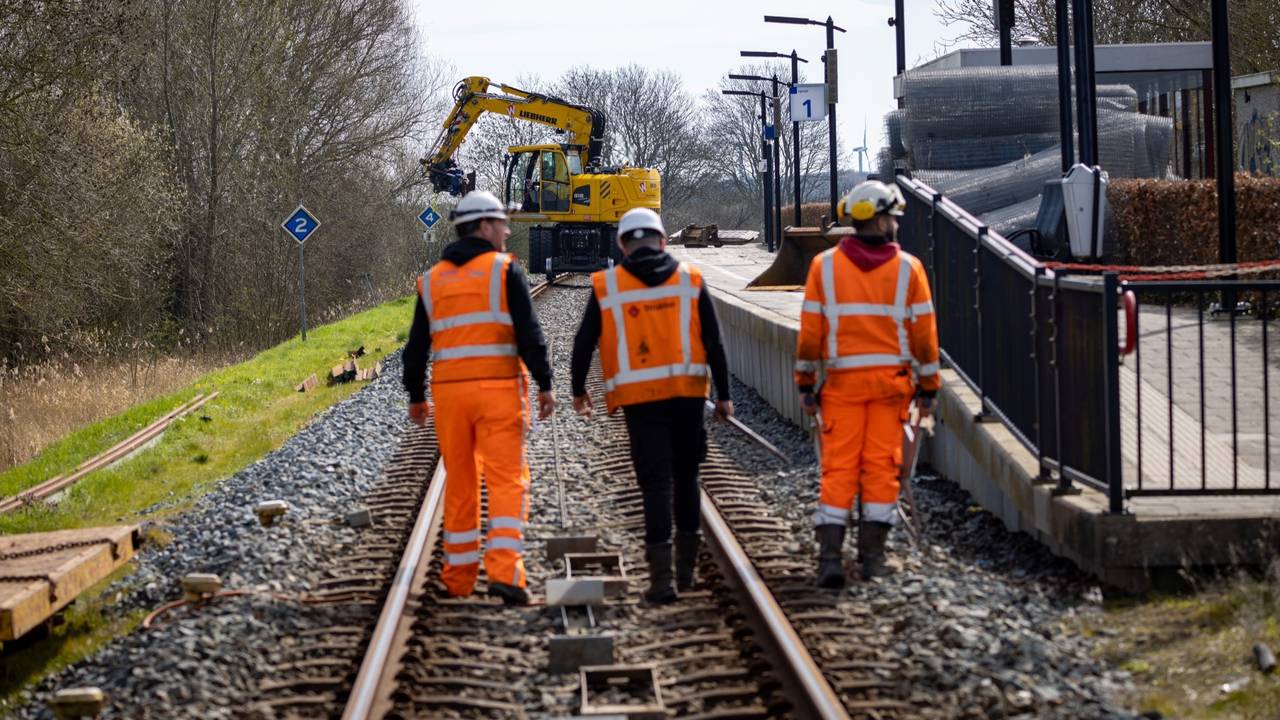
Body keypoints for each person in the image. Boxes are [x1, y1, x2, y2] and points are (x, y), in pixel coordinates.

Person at [570, 208, 733, 604]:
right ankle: (688, 572)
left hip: (640, 403)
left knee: (656, 483)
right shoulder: (690, 280)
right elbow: (714, 341)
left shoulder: (608, 285)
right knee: (687, 476)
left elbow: (583, 341)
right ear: (662, 241)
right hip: (688, 396)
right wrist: (724, 395)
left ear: (623, 246)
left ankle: (662, 582)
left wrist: (578, 391)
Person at [402, 190, 556, 606]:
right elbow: (529, 333)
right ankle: (505, 572)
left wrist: (416, 395)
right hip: (498, 391)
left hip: (450, 398)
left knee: (461, 483)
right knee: (506, 479)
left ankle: (458, 578)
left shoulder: (432, 280)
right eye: (502, 223)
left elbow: (416, 347)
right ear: (485, 227)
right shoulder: (504, 270)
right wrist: (544, 382)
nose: (507, 230)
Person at [794, 180, 941, 588]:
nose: (896, 223)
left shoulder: (824, 267)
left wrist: (806, 384)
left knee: (838, 470)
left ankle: (829, 560)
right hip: (891, 390)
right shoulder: (909, 270)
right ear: (878, 220)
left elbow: (810, 333)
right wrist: (928, 389)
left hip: (842, 387)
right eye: (892, 216)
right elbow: (925, 338)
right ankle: (873, 560)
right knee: (882, 471)